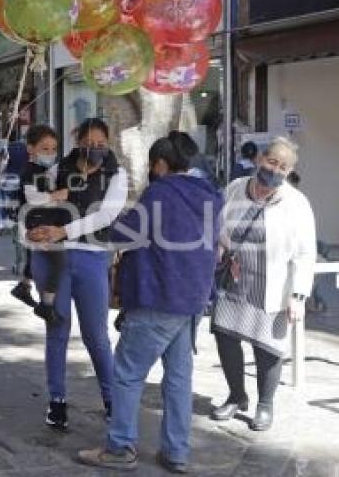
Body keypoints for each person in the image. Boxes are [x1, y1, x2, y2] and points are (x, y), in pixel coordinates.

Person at [77, 132, 222, 473]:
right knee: (178, 378)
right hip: (192, 300)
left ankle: (120, 447)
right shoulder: (211, 195)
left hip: (158, 295)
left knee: (127, 374)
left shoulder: (160, 193)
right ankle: (176, 452)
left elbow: (125, 233)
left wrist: (102, 224)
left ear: (160, 164)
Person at [27, 118, 129, 430]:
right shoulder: (59, 168)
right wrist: (36, 231)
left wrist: (64, 231)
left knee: (96, 335)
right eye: (90, 143)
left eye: (101, 143)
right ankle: (57, 401)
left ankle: (112, 399)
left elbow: (106, 215)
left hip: (92, 258)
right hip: (52, 258)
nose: (96, 148)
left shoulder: (117, 174)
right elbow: (35, 202)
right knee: (56, 330)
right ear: (78, 140)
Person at [210, 137, 316, 432]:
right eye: (272, 162)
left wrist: (298, 295)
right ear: (260, 160)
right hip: (234, 279)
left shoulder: (296, 203)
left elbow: (306, 253)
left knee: (268, 347)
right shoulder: (235, 188)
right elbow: (217, 223)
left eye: (284, 167)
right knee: (225, 335)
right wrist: (222, 249)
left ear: (289, 171)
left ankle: (265, 405)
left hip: (274, 285)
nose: (276, 170)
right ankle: (236, 395)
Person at [11, 125, 69, 323]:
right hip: (35, 223)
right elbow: (32, 197)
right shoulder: (29, 171)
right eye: (45, 149)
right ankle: (47, 303)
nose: (50, 153)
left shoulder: (47, 170)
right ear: (31, 149)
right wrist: (55, 195)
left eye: (54, 149)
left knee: (48, 259)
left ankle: (25, 286)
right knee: (59, 260)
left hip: (44, 221)